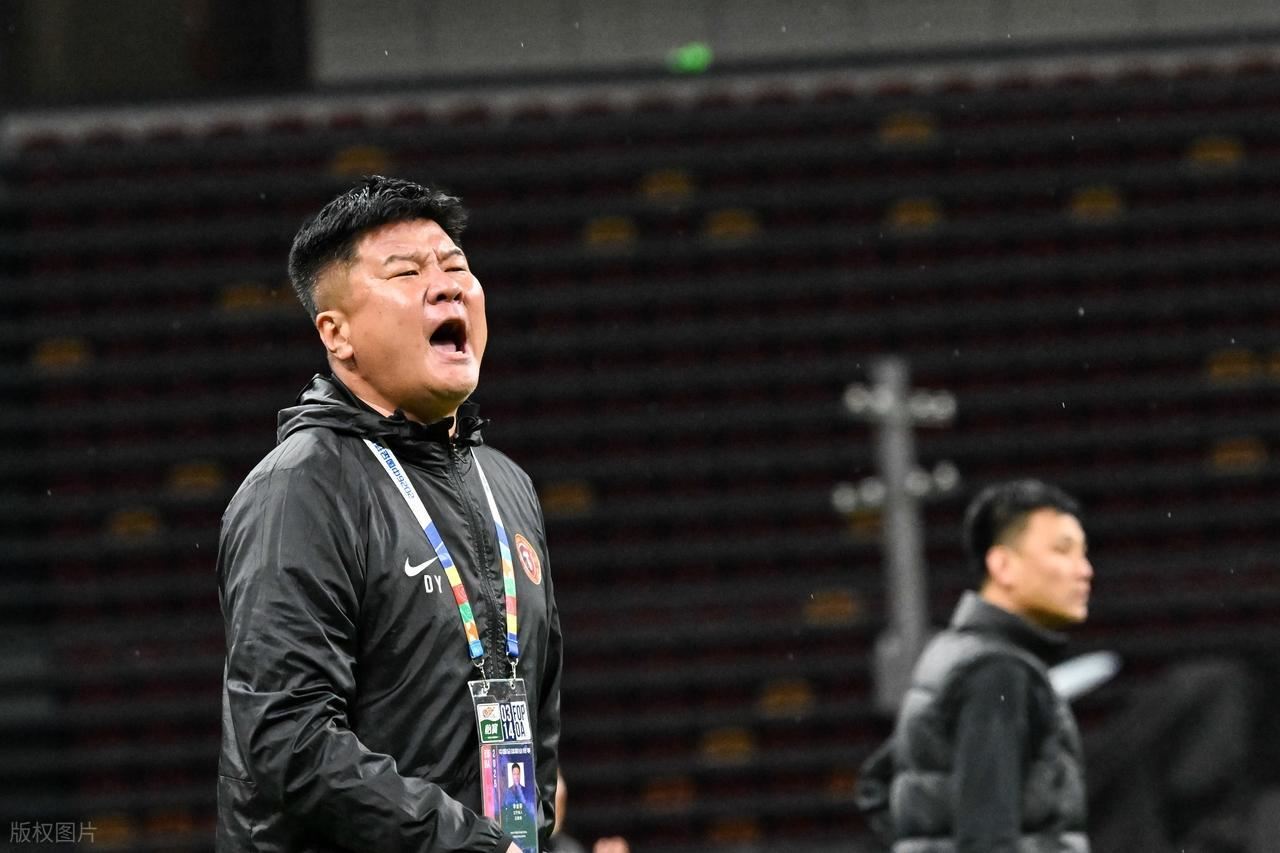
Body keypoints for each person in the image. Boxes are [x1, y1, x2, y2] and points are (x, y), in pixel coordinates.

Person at [216, 176, 562, 853]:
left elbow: (536, 721)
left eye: (455, 266)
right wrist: (469, 844)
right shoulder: (299, 490)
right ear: (336, 333)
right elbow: (289, 741)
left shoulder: (507, 484)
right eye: (407, 272)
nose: (446, 287)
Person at [886, 479, 1092, 852]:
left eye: (1084, 553)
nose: (1084, 570)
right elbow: (986, 839)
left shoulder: (951, 653)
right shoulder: (997, 671)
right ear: (1003, 565)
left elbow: (876, 785)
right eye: (1063, 551)